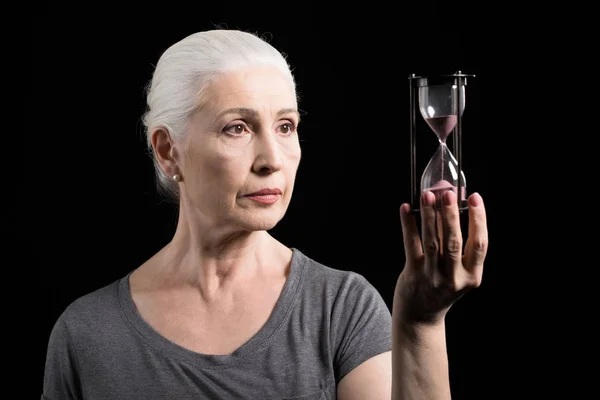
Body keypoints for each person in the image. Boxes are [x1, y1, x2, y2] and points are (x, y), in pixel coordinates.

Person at [41, 29, 488, 400]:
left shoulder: (341, 307)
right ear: (168, 151)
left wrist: (421, 323)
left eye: (286, 126)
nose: (272, 158)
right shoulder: (86, 334)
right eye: (237, 127)